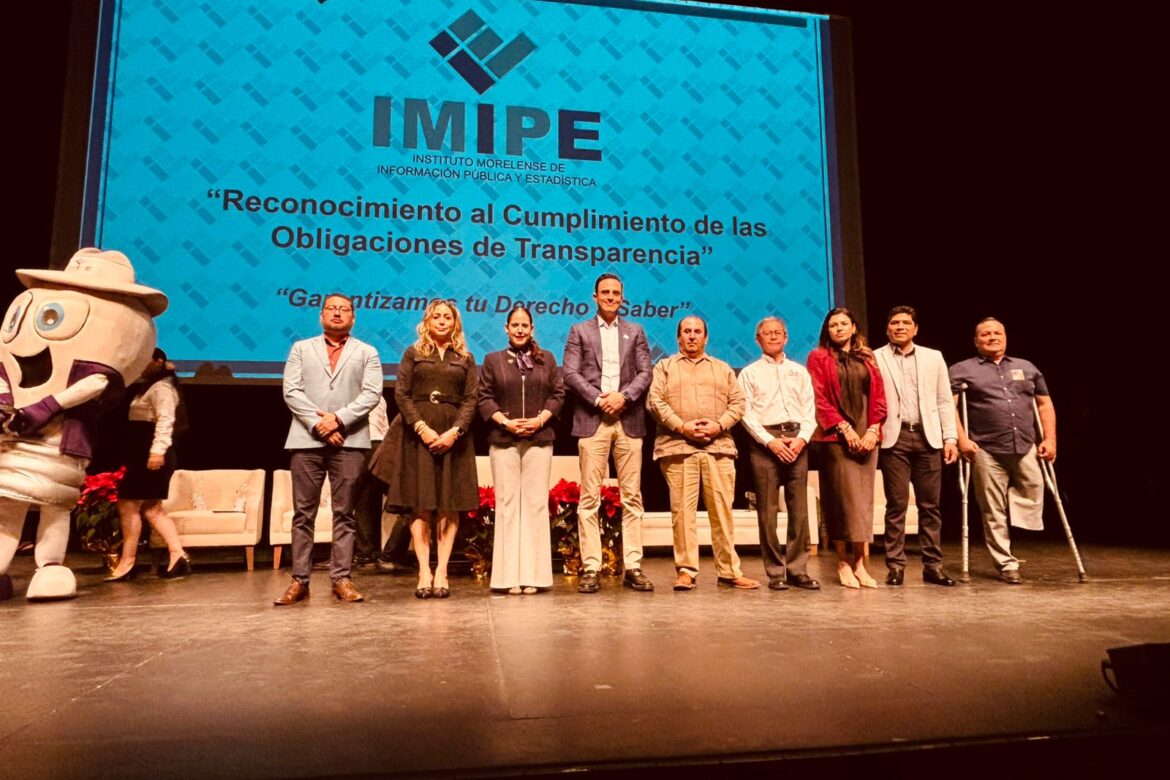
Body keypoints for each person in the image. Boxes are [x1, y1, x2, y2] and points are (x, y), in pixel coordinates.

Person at [274, 294, 383, 605]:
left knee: (345, 513)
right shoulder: (301, 348)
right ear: (321, 315)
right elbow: (291, 391)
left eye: (344, 309)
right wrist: (318, 424)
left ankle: (342, 579)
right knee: (303, 514)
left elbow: (372, 393)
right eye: (331, 309)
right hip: (306, 440)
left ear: (353, 317)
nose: (337, 313)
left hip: (349, 440)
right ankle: (299, 580)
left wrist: (338, 420)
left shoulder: (367, 352)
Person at [371, 299, 477, 599]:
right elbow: (401, 395)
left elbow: (471, 399)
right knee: (421, 505)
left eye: (447, 317)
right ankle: (423, 571)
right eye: (436, 317)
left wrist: (454, 432)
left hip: (454, 438)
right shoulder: (413, 353)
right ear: (427, 322)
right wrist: (422, 428)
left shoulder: (465, 357)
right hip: (418, 437)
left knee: (448, 505)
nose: (442, 321)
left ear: (455, 323)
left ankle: (441, 570)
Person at [648, 316, 756, 590]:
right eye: (687, 331)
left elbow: (738, 402)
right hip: (678, 448)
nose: (692, 336)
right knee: (682, 514)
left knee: (722, 512)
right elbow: (655, 401)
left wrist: (719, 425)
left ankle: (729, 571)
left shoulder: (722, 369)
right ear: (678, 337)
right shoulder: (664, 367)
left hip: (718, 448)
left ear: (706, 337)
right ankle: (686, 571)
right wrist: (682, 426)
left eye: (697, 331)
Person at [562, 273, 654, 593]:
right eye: (605, 292)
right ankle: (591, 567)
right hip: (593, 419)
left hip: (629, 419)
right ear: (595, 296)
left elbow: (646, 372)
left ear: (622, 297)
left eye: (616, 292)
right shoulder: (579, 331)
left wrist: (624, 397)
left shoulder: (635, 331)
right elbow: (570, 373)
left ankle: (633, 565)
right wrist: (600, 399)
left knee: (632, 497)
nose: (611, 297)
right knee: (589, 498)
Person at [950, 317, 1054, 584]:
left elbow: (1044, 404)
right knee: (992, 508)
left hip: (1025, 445)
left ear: (1005, 337)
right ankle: (1007, 564)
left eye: (998, 333)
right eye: (986, 334)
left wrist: (1050, 439)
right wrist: (961, 439)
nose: (992, 337)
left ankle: (1015, 521)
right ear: (976, 341)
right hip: (985, 448)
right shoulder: (962, 369)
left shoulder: (1026, 367)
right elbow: (949, 406)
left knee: (1034, 489)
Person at [478, 305, 564, 594]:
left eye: (524, 325)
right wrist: (506, 423)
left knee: (536, 505)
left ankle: (534, 576)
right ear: (506, 328)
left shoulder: (547, 359)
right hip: (503, 440)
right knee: (507, 505)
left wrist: (539, 420)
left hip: (540, 439)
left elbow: (558, 394)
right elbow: (484, 397)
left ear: (532, 329)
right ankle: (507, 578)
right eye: (514, 325)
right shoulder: (493, 360)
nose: (519, 329)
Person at [873, 307, 959, 587]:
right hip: (894, 437)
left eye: (905, 323)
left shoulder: (933, 357)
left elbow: (944, 400)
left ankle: (933, 566)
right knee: (896, 505)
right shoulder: (875, 357)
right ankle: (895, 566)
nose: (900, 327)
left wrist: (950, 438)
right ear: (887, 329)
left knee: (930, 506)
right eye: (894, 323)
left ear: (915, 328)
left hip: (927, 437)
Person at [737, 316, 820, 591]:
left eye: (777, 332)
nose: (772, 336)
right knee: (767, 513)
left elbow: (810, 409)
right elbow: (745, 413)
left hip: (797, 440)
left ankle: (798, 570)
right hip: (765, 444)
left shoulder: (799, 371)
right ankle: (775, 572)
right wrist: (769, 442)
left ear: (786, 337)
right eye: (767, 333)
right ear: (757, 339)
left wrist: (802, 439)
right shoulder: (749, 373)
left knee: (800, 511)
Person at [807, 307, 887, 589]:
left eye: (843, 324)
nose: (838, 328)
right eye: (833, 325)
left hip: (867, 434)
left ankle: (860, 564)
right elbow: (819, 398)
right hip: (834, 437)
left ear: (853, 327)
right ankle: (842, 562)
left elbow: (879, 396)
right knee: (840, 501)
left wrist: (873, 429)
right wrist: (844, 428)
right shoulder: (818, 357)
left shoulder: (868, 356)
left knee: (863, 501)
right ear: (827, 330)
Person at [105, 348, 191, 582]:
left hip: (152, 455)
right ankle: (177, 554)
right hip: (142, 455)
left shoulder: (163, 388)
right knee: (152, 509)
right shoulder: (150, 386)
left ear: (158, 361)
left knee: (128, 505)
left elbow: (166, 420)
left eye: (144, 361)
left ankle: (127, 562)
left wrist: (157, 452)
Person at [351, 394, 388, 569]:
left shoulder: (355, 393)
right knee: (367, 501)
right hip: (380, 446)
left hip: (362, 444)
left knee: (351, 499)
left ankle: (362, 552)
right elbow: (386, 427)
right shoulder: (379, 396)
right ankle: (369, 552)